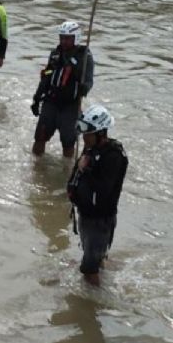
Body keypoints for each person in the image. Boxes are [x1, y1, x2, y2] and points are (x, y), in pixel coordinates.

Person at [66, 104, 128, 287]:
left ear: (101, 133)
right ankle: (99, 270)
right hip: (86, 215)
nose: (84, 137)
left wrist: (86, 169)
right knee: (93, 259)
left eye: (88, 133)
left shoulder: (114, 156)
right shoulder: (91, 148)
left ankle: (92, 304)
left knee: (88, 269)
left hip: (100, 220)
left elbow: (103, 189)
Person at [30, 21, 95, 157]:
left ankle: (66, 170)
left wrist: (84, 88)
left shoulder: (84, 57)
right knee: (39, 137)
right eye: (62, 38)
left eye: (67, 38)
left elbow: (88, 81)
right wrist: (36, 98)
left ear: (75, 38)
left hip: (70, 106)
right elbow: (46, 77)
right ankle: (36, 167)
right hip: (51, 102)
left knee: (68, 142)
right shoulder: (55, 54)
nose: (63, 41)